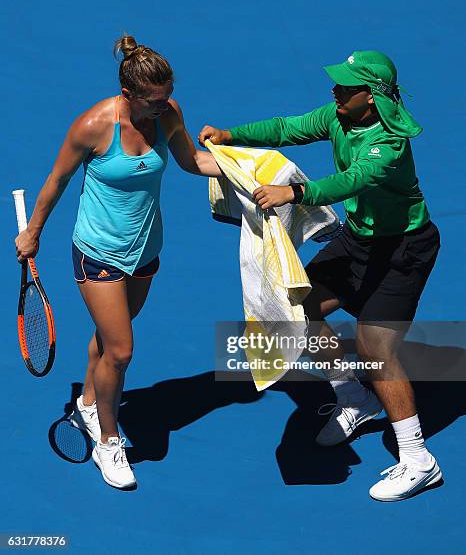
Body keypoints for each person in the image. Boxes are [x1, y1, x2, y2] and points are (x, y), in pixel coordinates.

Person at [198, 50, 442, 502]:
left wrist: (292, 191)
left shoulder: (387, 143)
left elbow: (350, 181)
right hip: (359, 242)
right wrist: (233, 134)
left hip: (403, 250)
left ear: (370, 98)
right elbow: (289, 128)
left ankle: (417, 458)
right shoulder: (338, 115)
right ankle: (354, 396)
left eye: (346, 87)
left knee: (375, 345)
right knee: (301, 308)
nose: (335, 90)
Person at [15, 35, 222, 489]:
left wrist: (247, 170)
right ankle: (108, 440)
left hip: (147, 249)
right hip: (99, 253)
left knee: (110, 339)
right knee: (122, 350)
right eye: (154, 101)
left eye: (167, 98)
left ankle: (89, 401)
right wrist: (33, 232)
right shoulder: (92, 126)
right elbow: (56, 181)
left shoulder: (168, 112)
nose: (163, 107)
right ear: (128, 95)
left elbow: (191, 162)